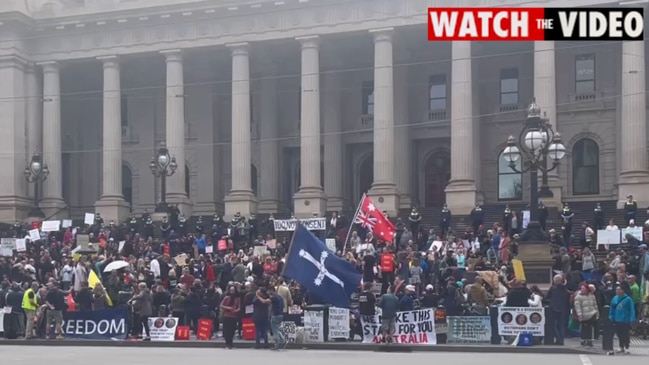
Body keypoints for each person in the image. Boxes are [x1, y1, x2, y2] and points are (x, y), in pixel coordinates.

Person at [608, 284, 636, 355]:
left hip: (625, 320)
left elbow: (631, 309)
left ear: (622, 290)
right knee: (619, 333)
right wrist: (611, 315)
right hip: (617, 319)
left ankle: (626, 347)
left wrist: (632, 318)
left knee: (625, 334)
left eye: (618, 289)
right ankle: (621, 347)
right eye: (616, 289)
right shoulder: (615, 298)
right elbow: (612, 307)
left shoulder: (628, 299)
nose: (616, 291)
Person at [268, 286, 285, 350]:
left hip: (275, 315)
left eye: (269, 291)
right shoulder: (280, 297)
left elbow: (265, 301)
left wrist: (258, 296)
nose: (268, 292)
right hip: (281, 314)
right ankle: (283, 340)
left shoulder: (273, 297)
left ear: (272, 290)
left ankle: (276, 345)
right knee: (277, 329)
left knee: (274, 330)